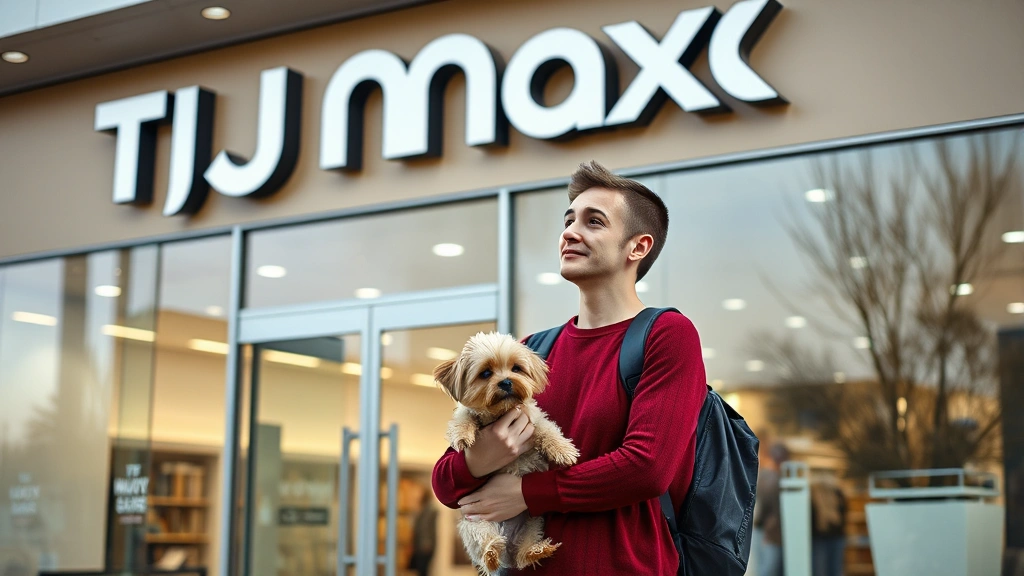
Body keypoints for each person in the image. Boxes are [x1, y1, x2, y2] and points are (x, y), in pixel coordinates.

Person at [431, 160, 708, 574]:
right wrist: (478, 460)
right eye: (568, 220)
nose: (570, 232)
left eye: (594, 222)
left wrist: (527, 492)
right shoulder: (531, 352)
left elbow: (647, 468)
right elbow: (445, 484)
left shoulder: (667, 334)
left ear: (638, 247)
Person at [753, 442, 790, 576]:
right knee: (769, 569)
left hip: (765, 530)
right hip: (770, 533)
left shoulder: (765, 476)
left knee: (765, 569)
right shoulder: (774, 478)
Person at [810, 471, 847, 576]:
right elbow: (843, 515)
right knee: (835, 569)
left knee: (820, 570)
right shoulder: (837, 493)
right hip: (834, 537)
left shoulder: (812, 494)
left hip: (819, 538)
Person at [408, 489, 438, 576]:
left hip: (424, 545)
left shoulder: (428, 510)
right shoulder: (426, 509)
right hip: (424, 545)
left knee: (422, 570)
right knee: (422, 570)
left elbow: (424, 527)